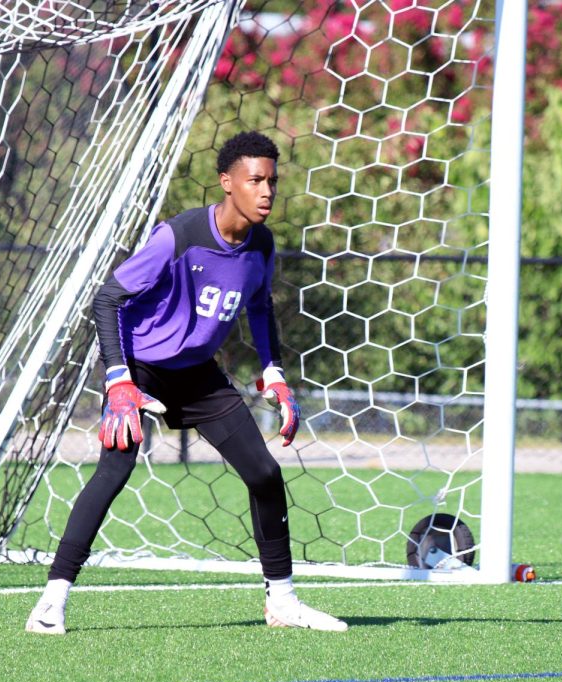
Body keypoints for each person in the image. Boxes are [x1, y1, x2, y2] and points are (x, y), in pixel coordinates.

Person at [26, 132, 348, 634]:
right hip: (141, 369)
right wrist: (118, 383)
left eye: (273, 181)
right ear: (227, 183)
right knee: (114, 471)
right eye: (255, 180)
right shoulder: (179, 236)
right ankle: (50, 603)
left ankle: (282, 602)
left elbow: (260, 308)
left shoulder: (262, 244)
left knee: (264, 474)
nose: (266, 191)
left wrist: (275, 373)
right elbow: (106, 298)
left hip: (197, 373)